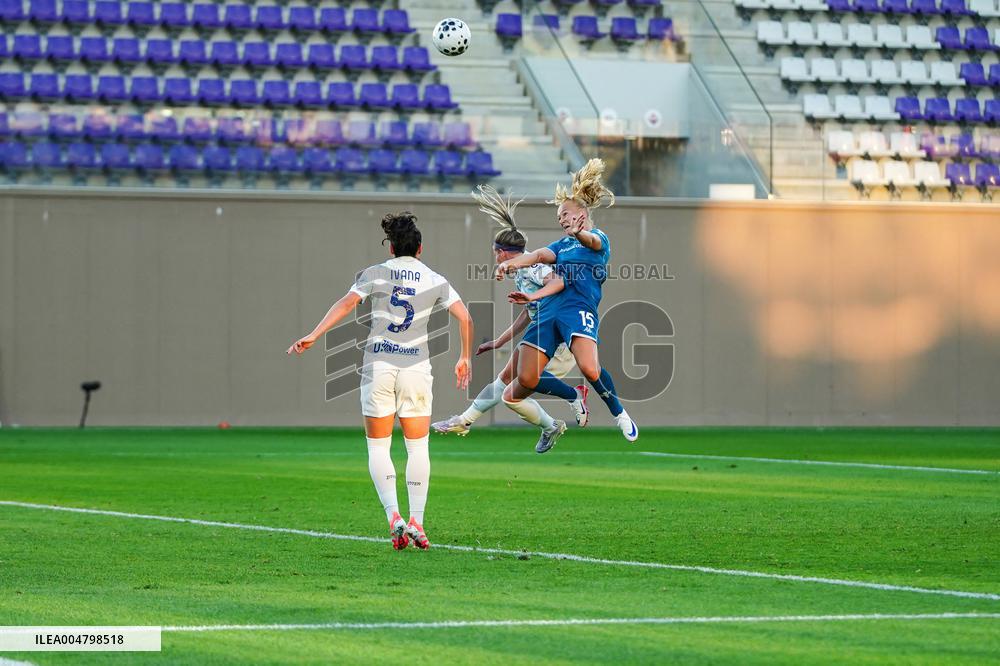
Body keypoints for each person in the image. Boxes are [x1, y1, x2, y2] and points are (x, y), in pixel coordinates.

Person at [287, 212, 473, 550]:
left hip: (379, 367)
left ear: (391, 248)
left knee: (378, 446)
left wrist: (314, 334)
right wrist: (464, 357)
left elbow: (346, 303)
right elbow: (465, 316)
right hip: (416, 369)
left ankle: (394, 517)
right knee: (418, 447)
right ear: (420, 248)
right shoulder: (434, 278)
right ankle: (417, 519)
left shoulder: (375, 273)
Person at [432, 185, 587, 454]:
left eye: (496, 253)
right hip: (541, 332)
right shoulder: (521, 273)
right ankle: (465, 421)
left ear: (503, 252)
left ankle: (573, 397)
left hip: (557, 337)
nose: (496, 258)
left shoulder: (533, 268)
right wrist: (498, 341)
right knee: (506, 388)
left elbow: (558, 284)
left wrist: (535, 297)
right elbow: (530, 313)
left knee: (517, 389)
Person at [496, 158, 639, 442]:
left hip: (578, 308)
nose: (561, 219)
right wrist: (509, 265)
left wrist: (581, 233)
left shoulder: (597, 238)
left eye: (565, 214)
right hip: (550, 309)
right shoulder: (561, 245)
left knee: (589, 367)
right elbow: (536, 256)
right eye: (559, 216)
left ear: (581, 215)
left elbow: (593, 243)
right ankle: (573, 397)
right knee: (525, 379)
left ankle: (619, 413)